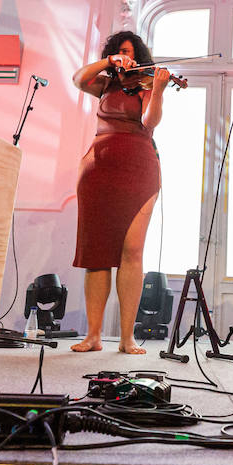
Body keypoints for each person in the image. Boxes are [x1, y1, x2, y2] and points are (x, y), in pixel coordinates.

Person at [69, 31, 172, 354]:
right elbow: (78, 78)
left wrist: (157, 90)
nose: (124, 58)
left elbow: (150, 121)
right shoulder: (105, 84)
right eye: (118, 53)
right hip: (98, 167)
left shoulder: (144, 85)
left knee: (132, 251)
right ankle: (93, 335)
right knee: (96, 252)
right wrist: (108, 62)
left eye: (128, 52)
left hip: (138, 165)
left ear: (139, 56)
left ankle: (127, 338)